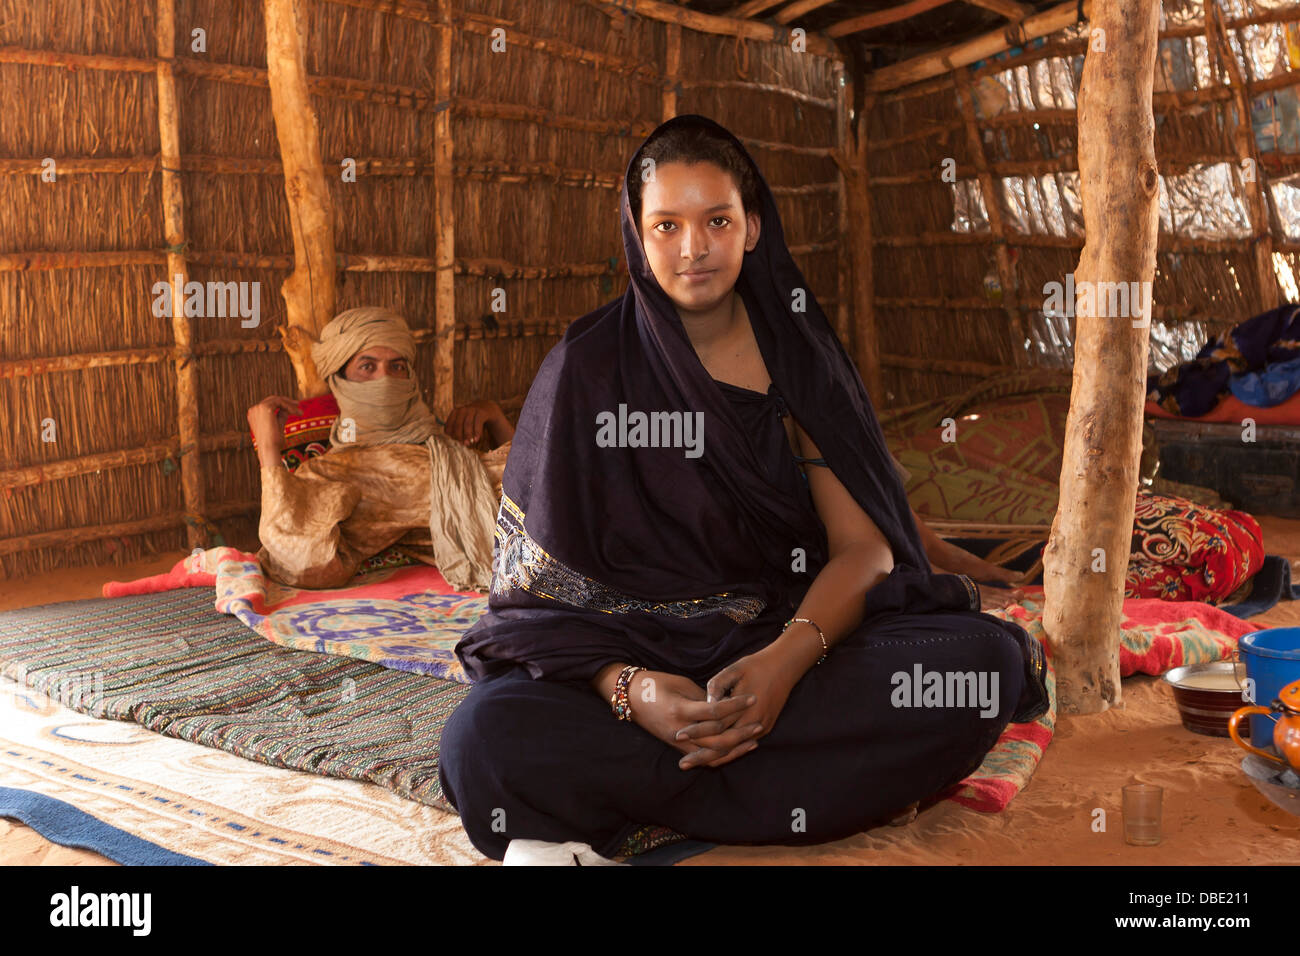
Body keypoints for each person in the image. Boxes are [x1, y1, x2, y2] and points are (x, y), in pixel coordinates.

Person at [438, 115, 1049, 863]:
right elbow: (536, 607)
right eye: (666, 225)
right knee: (482, 738)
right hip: (630, 663)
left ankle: (649, 801)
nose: (692, 248)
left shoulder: (801, 358)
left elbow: (864, 552)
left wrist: (781, 669)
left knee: (979, 672)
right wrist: (630, 689)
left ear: (752, 227)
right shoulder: (588, 366)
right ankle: (763, 790)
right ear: (637, 232)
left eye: (716, 220)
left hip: (776, 641)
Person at [247, 306, 514, 591]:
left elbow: (528, 474)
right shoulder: (329, 471)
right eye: (367, 366)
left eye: (397, 367)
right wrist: (269, 448)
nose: (384, 379)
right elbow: (301, 561)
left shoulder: (448, 446)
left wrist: (494, 416)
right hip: (529, 544)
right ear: (340, 379)